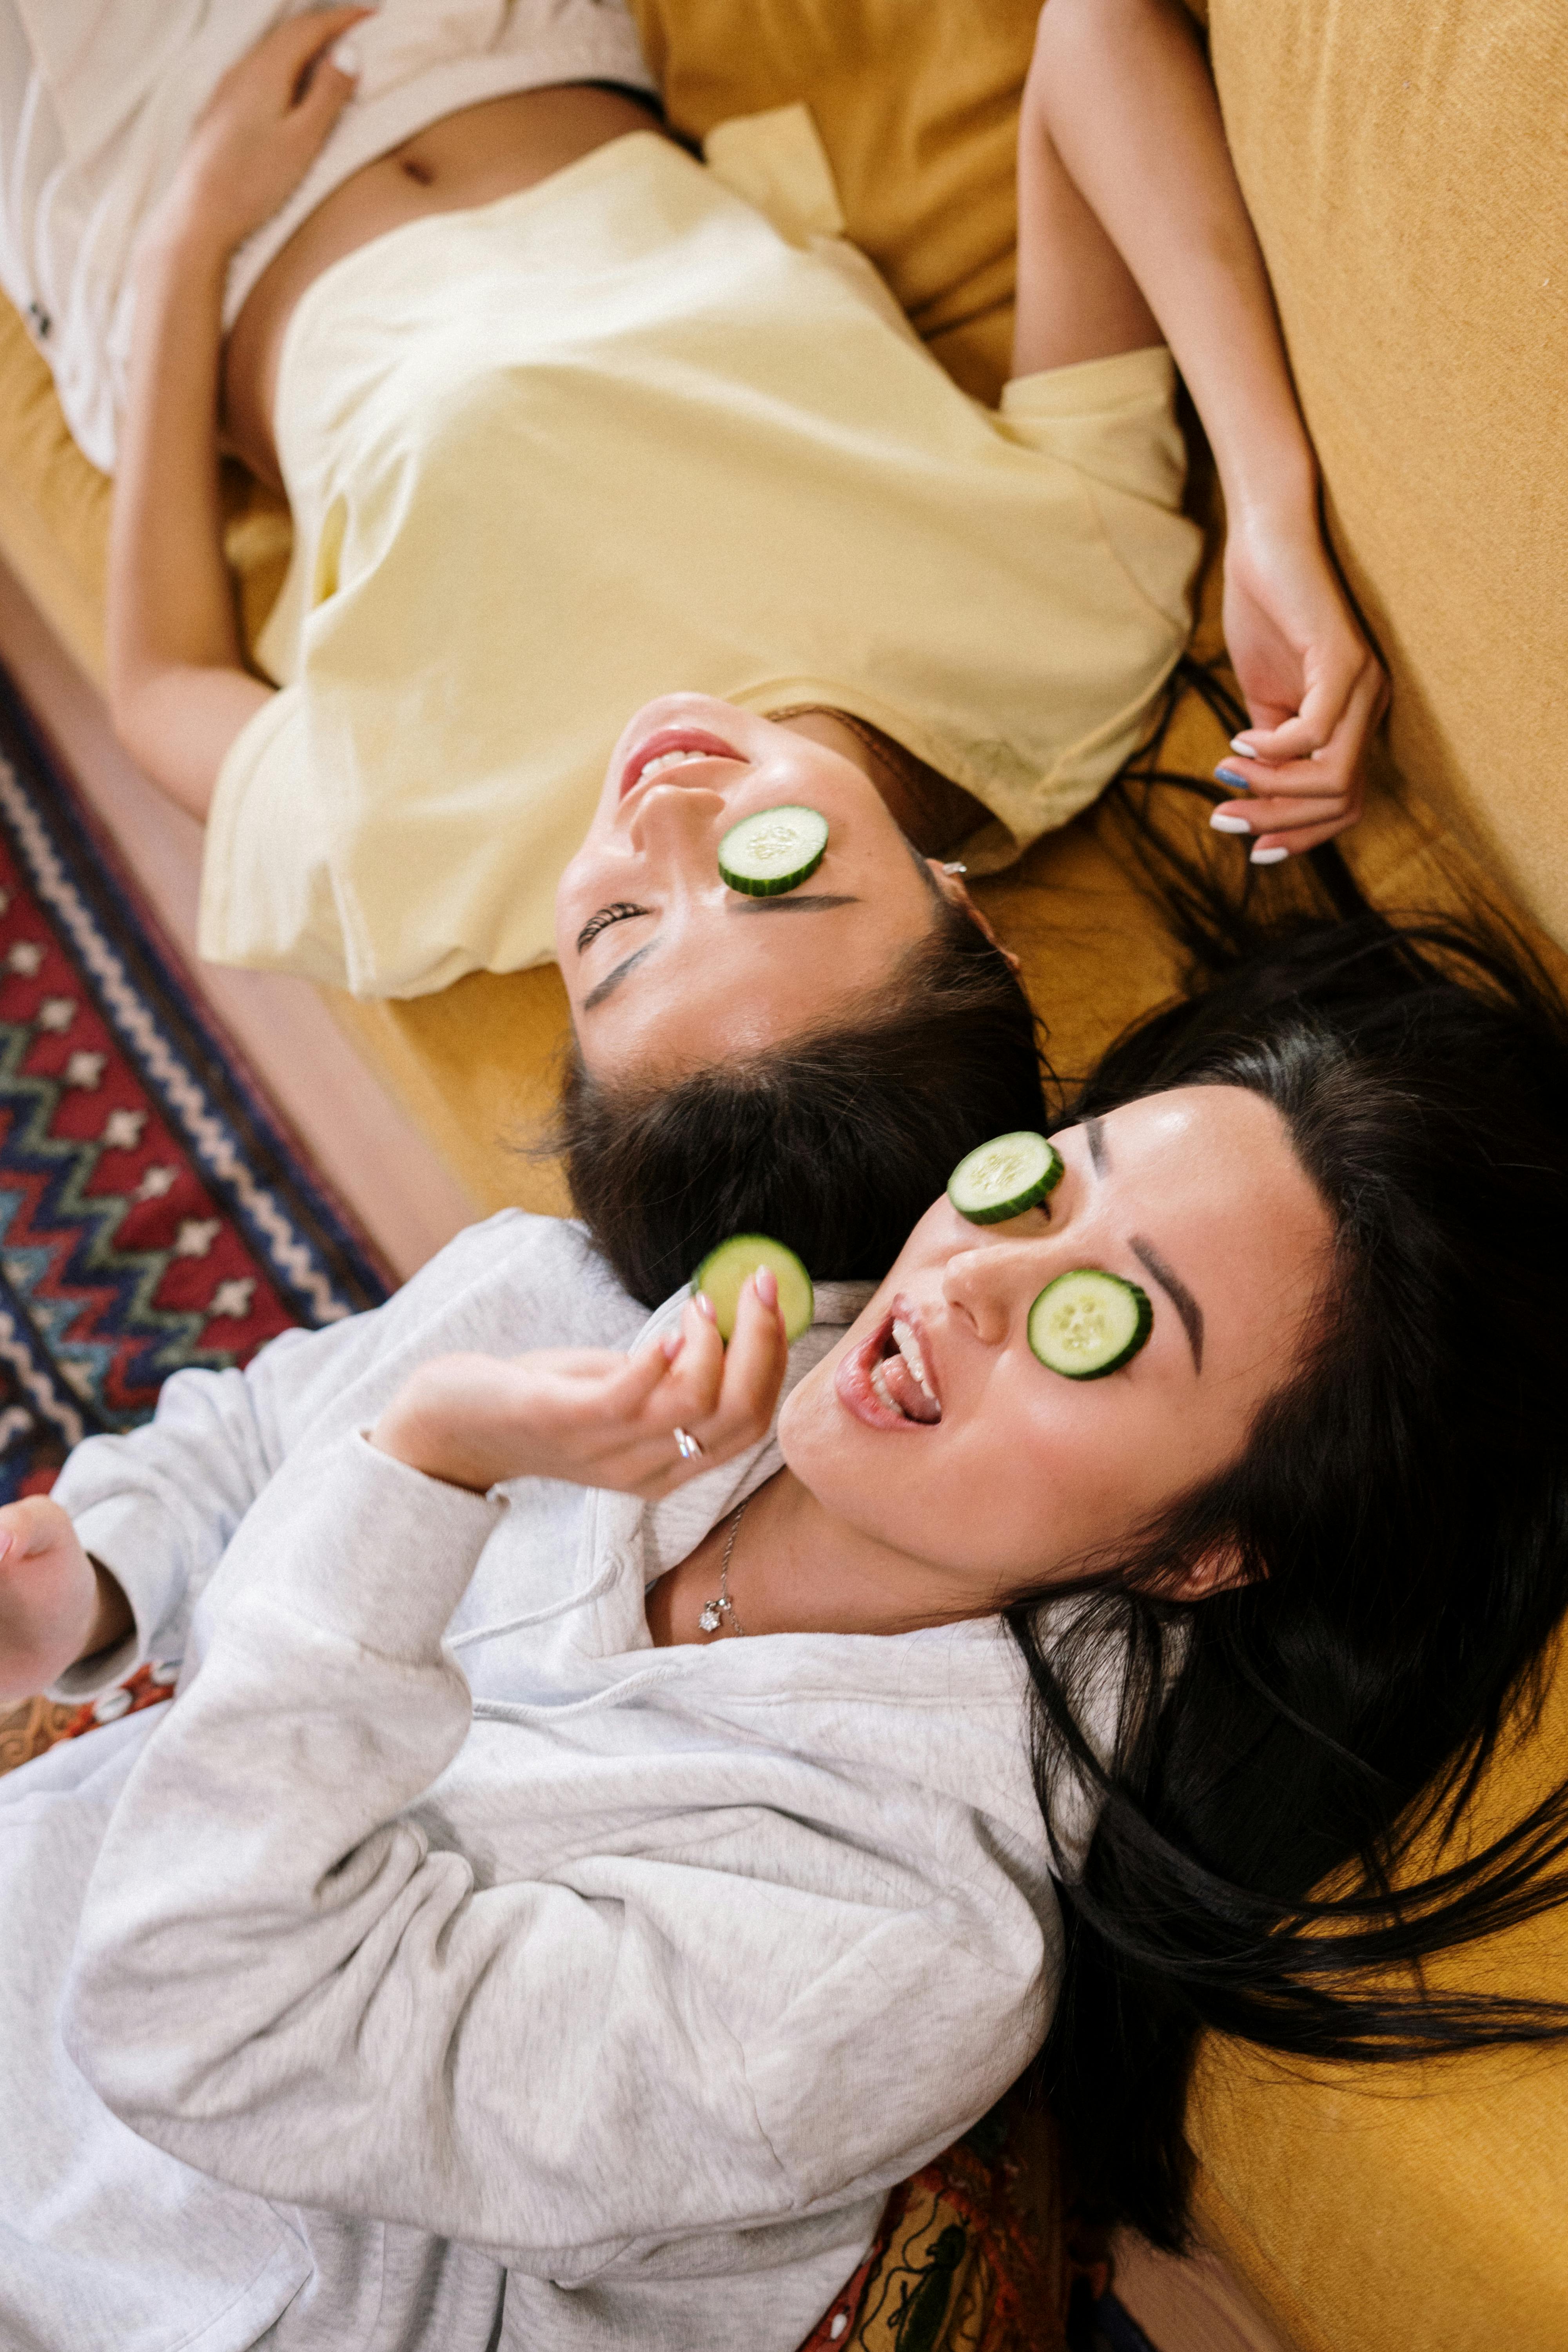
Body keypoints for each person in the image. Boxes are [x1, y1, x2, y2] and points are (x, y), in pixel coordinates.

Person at [5, 887, 1568, 2344]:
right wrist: (103, 1572)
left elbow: (205, 2022)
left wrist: (425, 1471)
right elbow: (270, 1431)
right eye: (1041, 1191)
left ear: (1206, 1554)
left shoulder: (886, 1957)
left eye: (1105, 1328)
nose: (966, 1289)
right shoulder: (633, 1300)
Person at [2, 0, 1384, 1030]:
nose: (654, 827)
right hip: (502, 34)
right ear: (965, 919)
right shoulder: (1081, 639)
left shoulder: (420, 874)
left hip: (161, 191)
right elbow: (1093, 42)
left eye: (611, 929)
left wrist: (191, 228)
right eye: (766, 877)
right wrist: (1270, 505)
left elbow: (160, 688)